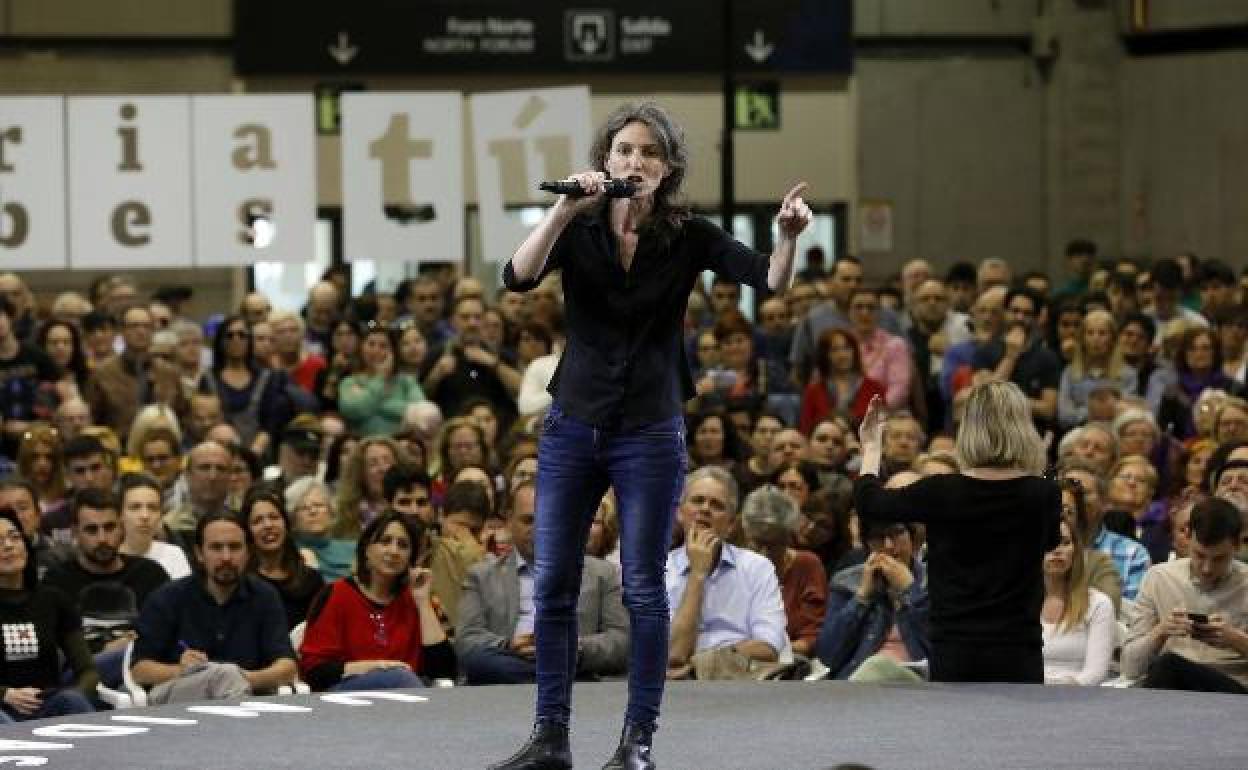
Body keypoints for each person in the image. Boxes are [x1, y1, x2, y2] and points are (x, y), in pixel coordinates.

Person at [490, 101, 811, 770]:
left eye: (648, 153)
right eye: (624, 150)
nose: (634, 161)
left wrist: (786, 236)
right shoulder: (577, 228)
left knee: (641, 585)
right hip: (574, 420)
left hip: (649, 426)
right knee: (553, 581)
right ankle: (551, 736)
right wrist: (563, 210)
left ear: (667, 169)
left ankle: (637, 741)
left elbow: (769, 280)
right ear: (606, 159)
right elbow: (517, 276)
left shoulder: (688, 234)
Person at [854, 382, 1060, 683]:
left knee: (958, 730)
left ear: (968, 430)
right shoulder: (1043, 494)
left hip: (954, 650)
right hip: (1018, 650)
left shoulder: (942, 491)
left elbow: (870, 503)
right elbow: (1050, 542)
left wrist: (872, 448)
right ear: (1022, 428)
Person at [456, 481, 628, 684]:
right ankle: (555, 676)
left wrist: (574, 647)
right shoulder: (482, 576)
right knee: (484, 661)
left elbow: (622, 641)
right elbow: (466, 642)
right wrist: (508, 645)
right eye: (528, 520)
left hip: (573, 665)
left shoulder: (602, 574)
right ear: (509, 521)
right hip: (509, 672)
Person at [131, 511, 298, 703]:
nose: (226, 557)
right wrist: (183, 670)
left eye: (234, 547)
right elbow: (139, 670)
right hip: (179, 699)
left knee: (226, 675)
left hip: (249, 693)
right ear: (199, 553)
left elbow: (287, 666)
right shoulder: (168, 598)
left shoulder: (264, 596)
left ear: (248, 553)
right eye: (216, 548)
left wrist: (240, 677)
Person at [298, 511, 455, 691]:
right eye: (385, 541)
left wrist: (423, 602)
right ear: (366, 549)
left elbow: (444, 672)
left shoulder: (415, 598)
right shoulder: (336, 594)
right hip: (346, 696)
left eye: (403, 545)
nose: (393, 551)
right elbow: (313, 670)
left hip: (407, 696)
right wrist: (375, 668)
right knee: (399, 678)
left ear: (411, 559)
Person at [1122, 497, 1248, 692]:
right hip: (1172, 686)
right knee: (1166, 667)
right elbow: (1130, 667)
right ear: (1188, 537)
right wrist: (1160, 632)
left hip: (1232, 688)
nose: (1207, 568)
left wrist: (1235, 640)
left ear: (1237, 545)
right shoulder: (1158, 578)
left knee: (1168, 665)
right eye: (1200, 555)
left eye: (1219, 559)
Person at [0, 507, 97, 722]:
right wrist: (7, 694)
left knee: (71, 701)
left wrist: (77, 695)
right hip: (3, 709)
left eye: (14, 537)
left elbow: (87, 669)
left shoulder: (53, 599)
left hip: (47, 705)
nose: (8, 546)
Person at [816, 513, 930, 682]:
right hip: (858, 680)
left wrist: (910, 591)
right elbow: (828, 656)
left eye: (896, 533)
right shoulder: (847, 582)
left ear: (912, 536)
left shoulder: (935, 581)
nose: (889, 546)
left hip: (919, 683)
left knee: (877, 666)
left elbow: (945, 653)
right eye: (878, 538)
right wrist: (861, 598)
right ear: (867, 544)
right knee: (872, 669)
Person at [739, 485, 827, 658]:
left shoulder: (807, 565)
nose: (764, 553)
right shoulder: (732, 565)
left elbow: (810, 639)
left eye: (773, 545)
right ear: (746, 535)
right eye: (757, 543)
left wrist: (763, 651)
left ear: (787, 539)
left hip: (788, 665)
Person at [1041, 513, 1115, 686]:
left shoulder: (1099, 604)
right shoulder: (1017, 604)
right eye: (1049, 541)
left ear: (1075, 551)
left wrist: (1059, 691)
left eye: (1065, 542)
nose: (1057, 549)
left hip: (1076, 698)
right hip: (1023, 695)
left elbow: (1095, 673)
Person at [243, 485, 324, 630]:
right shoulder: (242, 583)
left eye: (274, 517)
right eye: (257, 521)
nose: (268, 525)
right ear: (247, 532)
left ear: (286, 525)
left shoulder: (311, 579)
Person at [339, 323, 425, 438]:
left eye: (383, 346)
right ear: (361, 348)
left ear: (393, 352)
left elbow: (420, 414)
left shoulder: (406, 382)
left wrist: (369, 401)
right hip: (362, 443)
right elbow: (354, 410)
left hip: (400, 442)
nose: (376, 350)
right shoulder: (350, 382)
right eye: (371, 344)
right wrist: (381, 377)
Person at [117, 473, 191, 580]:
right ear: (120, 514)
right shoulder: (110, 557)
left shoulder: (174, 554)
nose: (145, 516)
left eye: (152, 508)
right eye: (135, 507)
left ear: (161, 515)